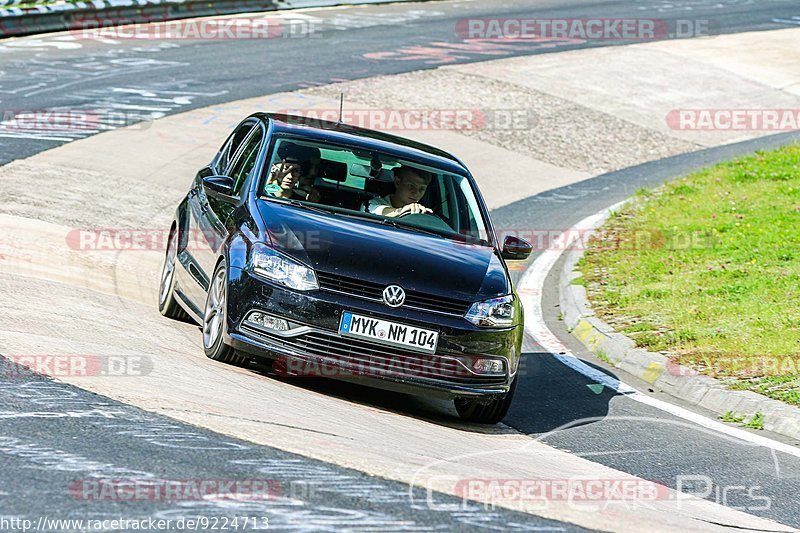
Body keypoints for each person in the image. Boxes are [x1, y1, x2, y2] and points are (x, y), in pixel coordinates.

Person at [366, 165, 433, 217]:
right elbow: (376, 211)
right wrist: (402, 211)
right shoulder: (374, 203)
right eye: (411, 186)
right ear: (397, 182)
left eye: (422, 189)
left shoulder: (424, 212)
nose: (416, 193)